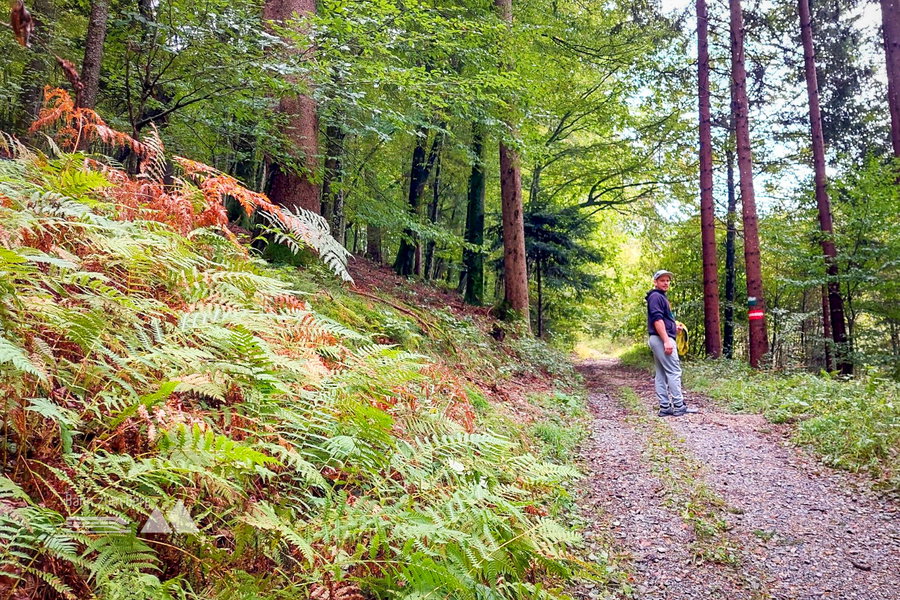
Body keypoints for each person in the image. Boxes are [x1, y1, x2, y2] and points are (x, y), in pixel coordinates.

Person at [645, 270, 692, 417]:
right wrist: (666, 340)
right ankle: (679, 405)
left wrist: (674, 327)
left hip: (658, 338)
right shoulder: (655, 297)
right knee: (674, 372)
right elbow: (657, 320)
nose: (666, 283)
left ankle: (665, 407)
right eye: (662, 280)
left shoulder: (659, 297)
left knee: (661, 373)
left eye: (668, 280)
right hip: (660, 339)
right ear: (655, 282)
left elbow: (663, 320)